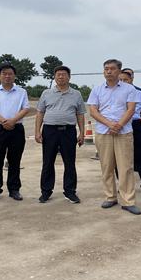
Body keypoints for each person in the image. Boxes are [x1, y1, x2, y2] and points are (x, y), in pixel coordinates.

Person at [87, 59, 141, 215]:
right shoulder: (96, 90)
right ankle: (110, 197)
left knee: (126, 167)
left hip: (123, 132)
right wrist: (110, 124)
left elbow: (131, 109)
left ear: (119, 71)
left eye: (112, 69)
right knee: (106, 166)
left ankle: (128, 200)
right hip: (104, 132)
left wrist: (119, 125)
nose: (108, 71)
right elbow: (93, 111)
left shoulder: (129, 89)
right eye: (106, 69)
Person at [35, 65, 86, 204]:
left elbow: (80, 114)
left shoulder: (76, 94)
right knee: (48, 162)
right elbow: (40, 112)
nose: (61, 77)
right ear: (54, 77)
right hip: (49, 131)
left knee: (69, 163)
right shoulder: (46, 93)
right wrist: (37, 131)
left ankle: (70, 192)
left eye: (64, 74)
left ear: (69, 77)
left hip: (68, 131)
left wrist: (82, 132)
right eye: (58, 74)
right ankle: (46, 192)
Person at [0, 63, 30, 202]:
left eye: (10, 73)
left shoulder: (22, 91)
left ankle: (14, 189)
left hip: (16, 129)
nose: (7, 76)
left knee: (15, 161)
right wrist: (4, 121)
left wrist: (12, 121)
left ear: (14, 75)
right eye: (4, 73)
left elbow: (25, 108)